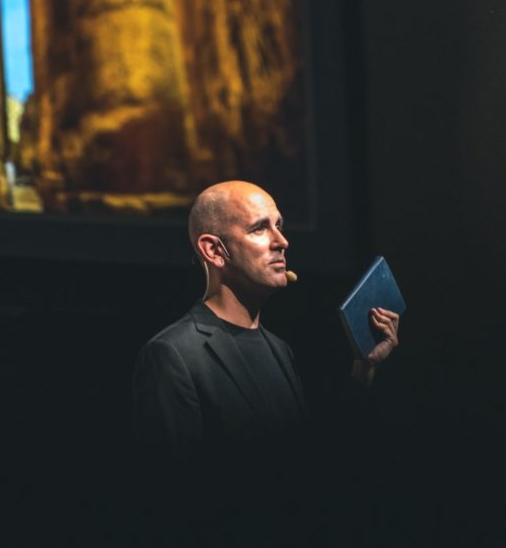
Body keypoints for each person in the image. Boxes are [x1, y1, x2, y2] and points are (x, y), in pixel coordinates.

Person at [132, 180, 401, 456]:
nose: (282, 242)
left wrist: (364, 368)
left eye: (279, 226)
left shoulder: (280, 350)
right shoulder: (173, 354)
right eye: (259, 228)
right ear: (213, 250)